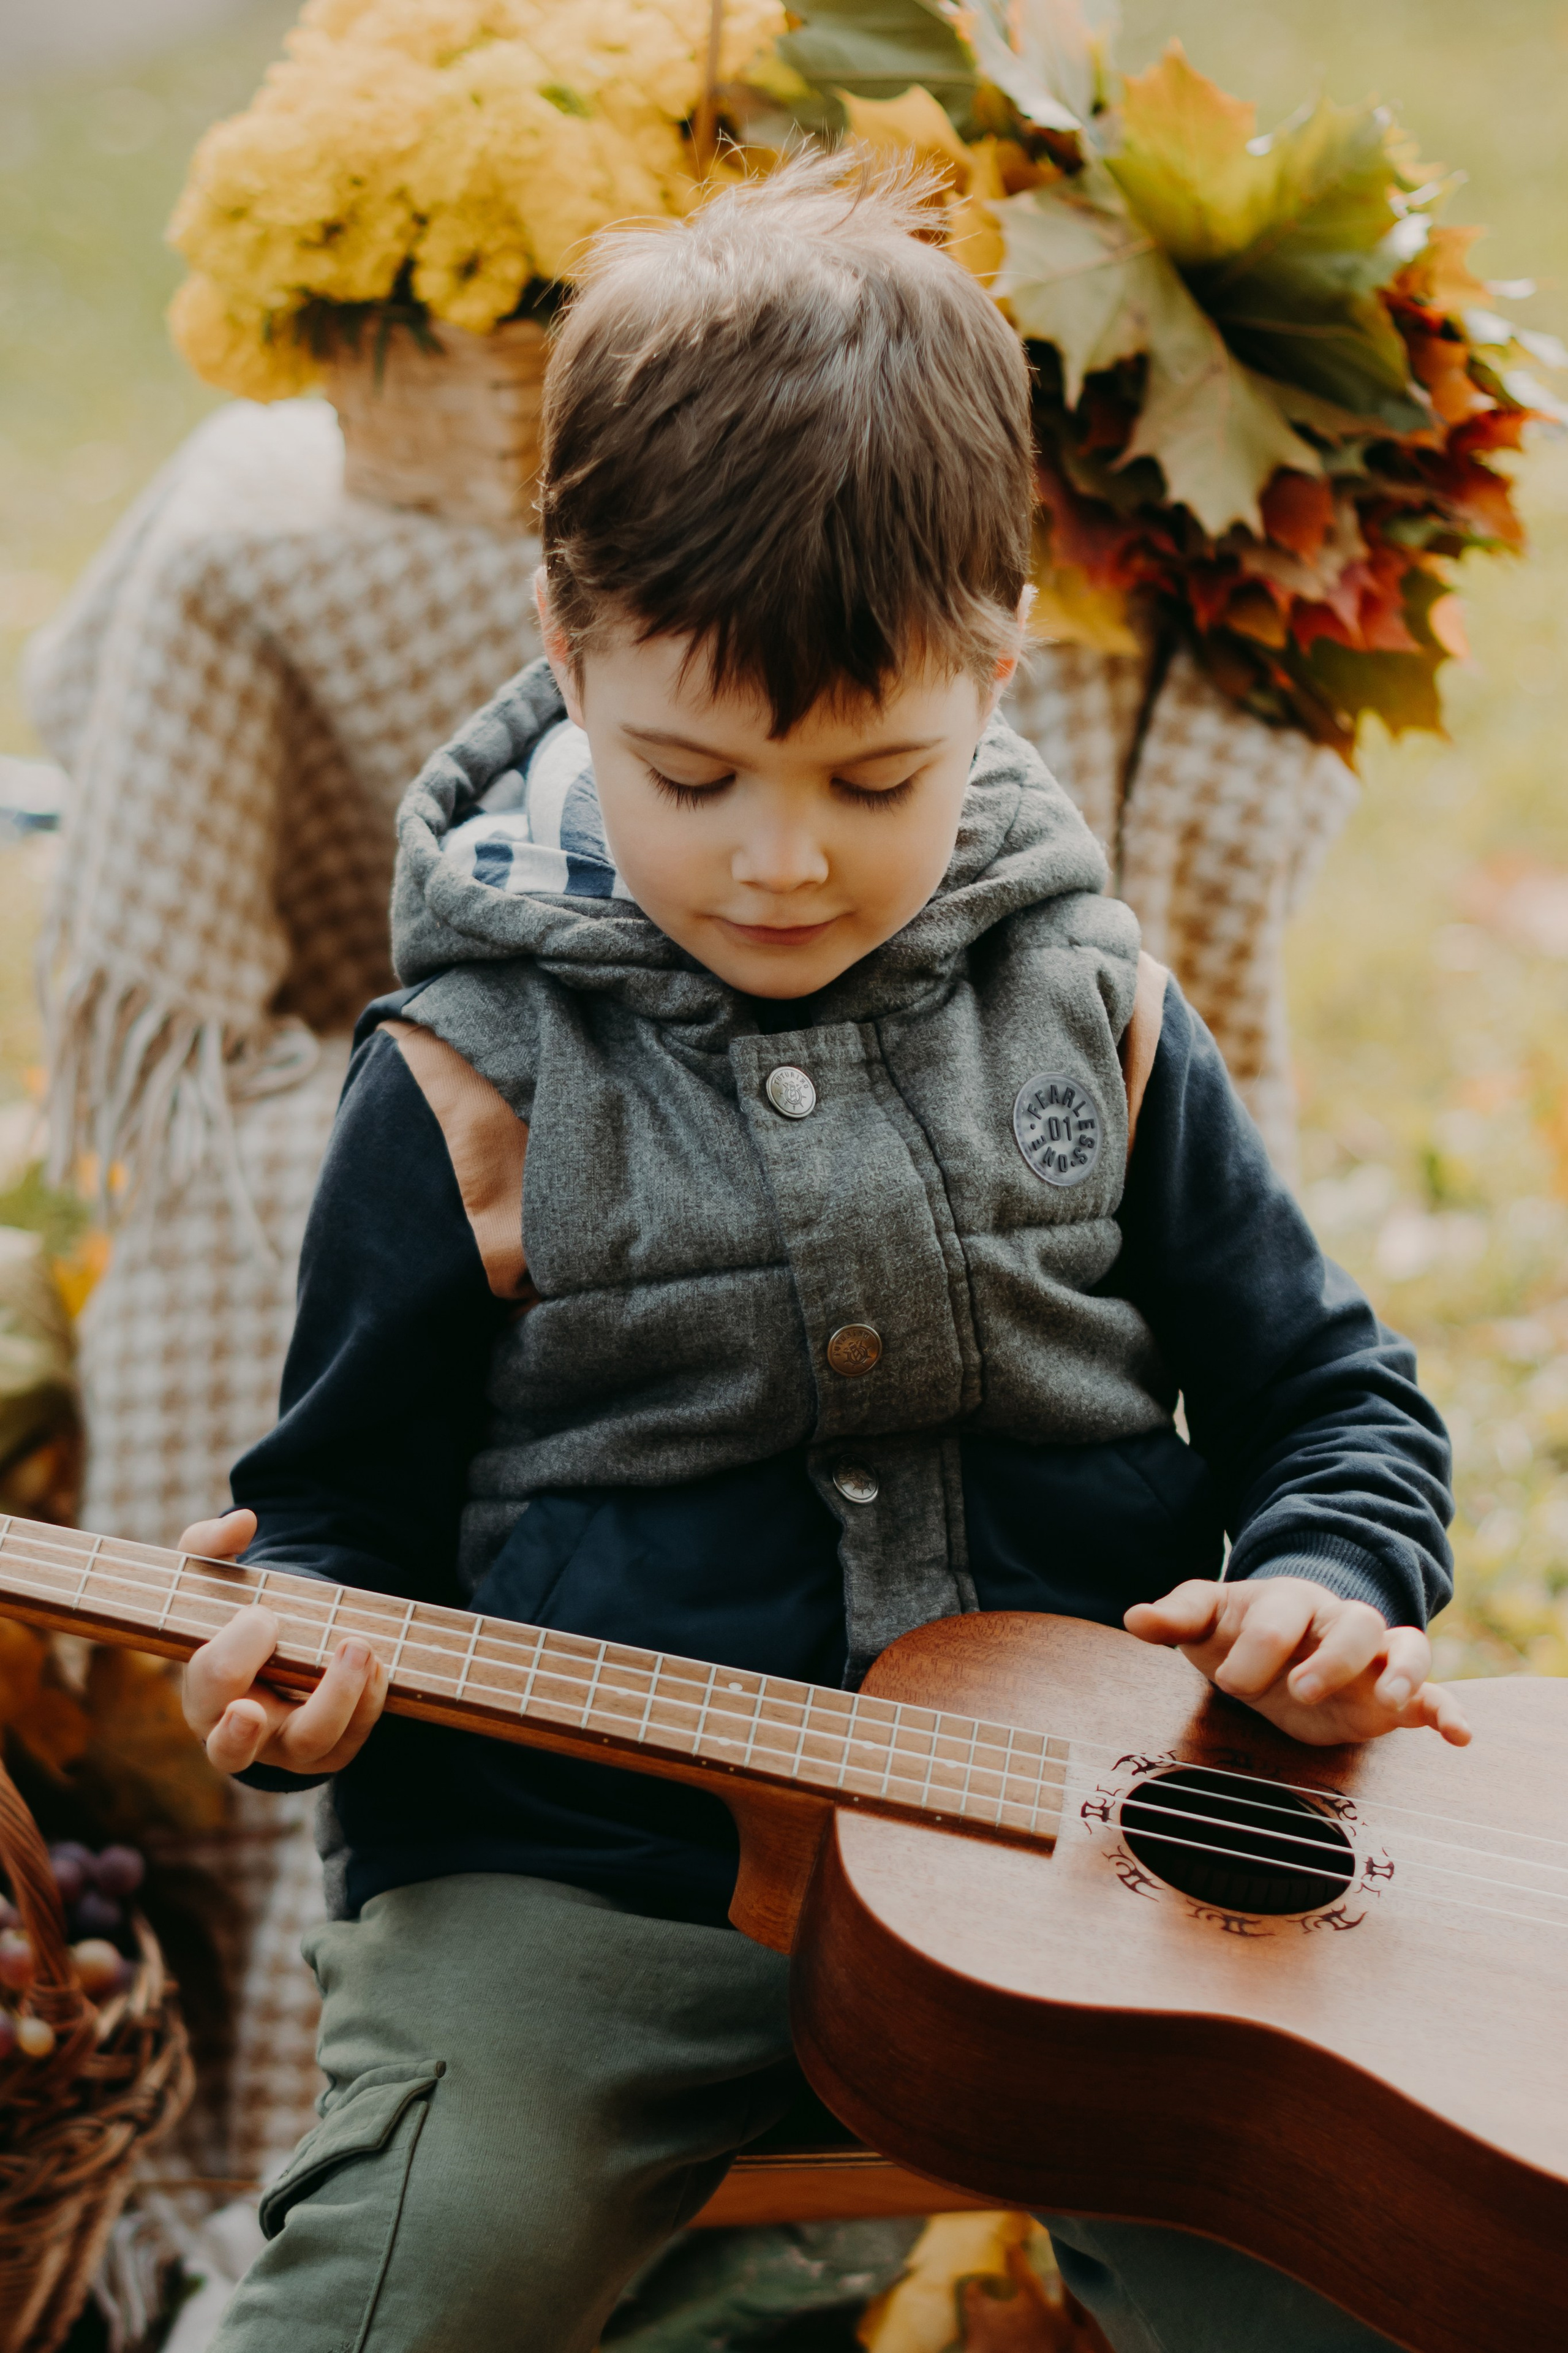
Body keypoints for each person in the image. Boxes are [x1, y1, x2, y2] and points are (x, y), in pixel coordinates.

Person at [178, 154, 1463, 2353]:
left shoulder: (1097, 1007)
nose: (782, 860)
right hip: (587, 1882)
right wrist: (289, 1686)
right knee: (405, 2285)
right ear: (567, 647)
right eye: (692, 776)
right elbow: (334, 1524)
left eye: (876, 780)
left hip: (1093, 1870)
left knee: (1368, 2275)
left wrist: (1330, 1585)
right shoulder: (465, 1082)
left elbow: (1331, 1399)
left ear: (997, 662)